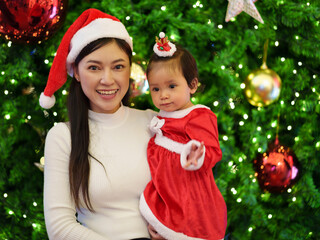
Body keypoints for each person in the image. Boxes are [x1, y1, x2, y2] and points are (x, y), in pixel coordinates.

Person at [39, 9, 156, 240]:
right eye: (94, 67)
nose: (107, 79)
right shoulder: (63, 137)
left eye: (118, 66)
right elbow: (60, 228)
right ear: (77, 72)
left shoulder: (153, 123)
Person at [139, 32, 227, 240]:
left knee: (188, 229)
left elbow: (212, 150)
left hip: (188, 192)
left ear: (192, 85)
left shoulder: (197, 116)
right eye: (155, 89)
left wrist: (197, 154)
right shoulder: (163, 114)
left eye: (171, 86)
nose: (163, 95)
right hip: (168, 191)